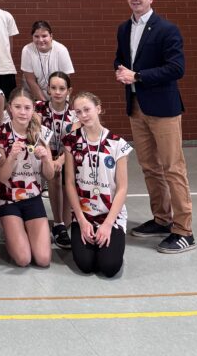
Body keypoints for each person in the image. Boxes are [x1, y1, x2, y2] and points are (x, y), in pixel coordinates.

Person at [114, 0, 195, 253]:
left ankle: (184, 231)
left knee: (173, 168)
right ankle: (162, 219)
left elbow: (176, 68)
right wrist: (120, 70)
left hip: (164, 109)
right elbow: (120, 58)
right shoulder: (124, 28)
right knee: (150, 167)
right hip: (137, 106)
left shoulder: (167, 29)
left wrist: (137, 76)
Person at [63, 91, 131, 277]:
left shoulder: (117, 144)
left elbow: (122, 188)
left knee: (109, 267)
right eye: (78, 112)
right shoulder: (71, 141)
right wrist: (81, 220)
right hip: (84, 214)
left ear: (98, 109)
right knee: (86, 265)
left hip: (110, 215)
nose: (83, 115)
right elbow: (69, 183)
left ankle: (113, 240)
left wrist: (108, 224)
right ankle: (85, 232)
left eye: (87, 109)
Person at [0, 88, 54, 267]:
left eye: (27, 108)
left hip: (33, 198)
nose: (22, 112)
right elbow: (2, 177)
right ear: (10, 108)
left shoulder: (42, 133)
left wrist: (46, 159)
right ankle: (4, 224)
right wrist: (11, 157)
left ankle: (23, 228)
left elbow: (49, 175)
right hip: (8, 199)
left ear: (33, 109)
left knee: (43, 259)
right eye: (18, 107)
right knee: (23, 259)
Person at [35, 71, 75, 250]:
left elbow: (74, 142)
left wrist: (61, 160)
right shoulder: (39, 108)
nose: (57, 92)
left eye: (62, 88)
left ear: (69, 91)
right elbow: (36, 135)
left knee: (68, 220)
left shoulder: (74, 113)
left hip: (67, 157)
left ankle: (63, 221)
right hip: (44, 156)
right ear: (48, 90)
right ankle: (58, 224)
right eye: (53, 88)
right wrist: (50, 160)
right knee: (54, 174)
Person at [20, 20, 74, 102]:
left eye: (44, 36)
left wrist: (56, 102)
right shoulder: (27, 50)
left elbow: (65, 80)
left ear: (51, 36)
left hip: (57, 91)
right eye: (36, 36)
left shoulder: (61, 50)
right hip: (35, 92)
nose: (40, 40)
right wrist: (44, 103)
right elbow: (30, 80)